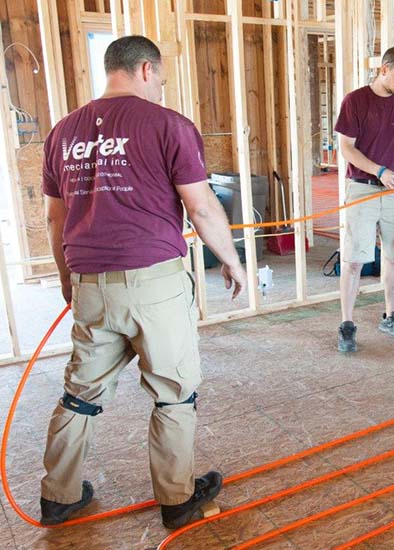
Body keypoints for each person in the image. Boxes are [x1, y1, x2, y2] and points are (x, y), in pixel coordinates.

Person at [40, 35, 247, 528]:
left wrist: (69, 279)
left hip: (90, 281)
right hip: (153, 283)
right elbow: (199, 206)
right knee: (174, 391)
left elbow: (54, 218)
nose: (161, 87)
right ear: (147, 70)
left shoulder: (63, 132)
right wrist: (232, 261)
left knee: (80, 394)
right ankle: (177, 500)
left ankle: (59, 495)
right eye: (162, 79)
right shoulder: (168, 124)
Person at [334, 46, 394, 352]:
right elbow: (346, 148)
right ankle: (347, 324)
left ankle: (391, 315)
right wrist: (380, 170)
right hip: (363, 188)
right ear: (383, 69)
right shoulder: (356, 101)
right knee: (354, 260)